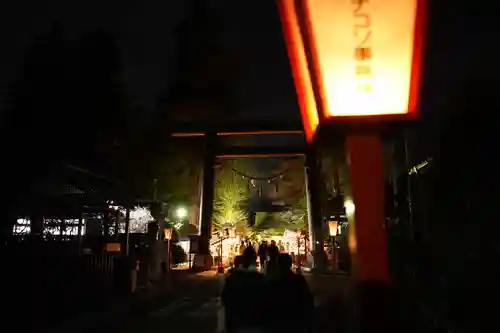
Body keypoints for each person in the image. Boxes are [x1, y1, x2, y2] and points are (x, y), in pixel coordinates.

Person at [222, 252, 271, 333]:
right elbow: (267, 301)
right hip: (257, 323)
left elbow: (225, 299)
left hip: (237, 324)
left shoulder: (232, 279)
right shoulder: (261, 279)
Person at [269, 253, 314, 333]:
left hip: (280, 324)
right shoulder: (299, 280)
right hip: (298, 323)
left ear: (278, 265)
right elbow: (308, 302)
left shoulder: (275, 283)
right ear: (290, 264)